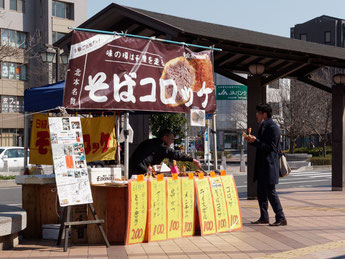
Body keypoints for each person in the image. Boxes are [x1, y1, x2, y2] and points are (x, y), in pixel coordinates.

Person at [244, 103, 287, 226]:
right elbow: (261, 144)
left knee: (271, 192)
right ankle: (264, 217)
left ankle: (281, 217)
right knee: (261, 192)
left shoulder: (273, 127)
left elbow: (271, 148)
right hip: (262, 166)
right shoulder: (263, 126)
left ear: (264, 114)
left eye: (258, 113)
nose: (257, 115)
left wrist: (255, 141)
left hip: (269, 165)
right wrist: (252, 141)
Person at [129, 129, 201, 177]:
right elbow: (175, 154)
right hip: (138, 170)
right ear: (165, 137)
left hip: (133, 167)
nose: (172, 141)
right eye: (172, 139)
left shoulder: (152, 142)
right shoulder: (161, 146)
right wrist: (192, 160)